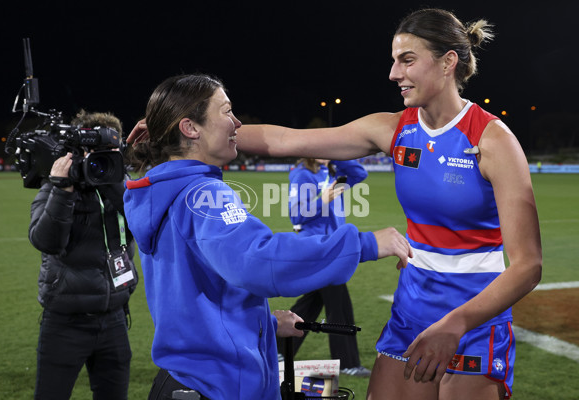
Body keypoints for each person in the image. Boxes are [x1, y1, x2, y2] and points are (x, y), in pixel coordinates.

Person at [233, 8, 542, 400]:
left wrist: (456, 325)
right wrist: (183, 130)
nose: (394, 73)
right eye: (394, 61)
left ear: (448, 62)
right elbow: (283, 141)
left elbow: (529, 265)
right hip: (411, 312)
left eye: (407, 60)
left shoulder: (492, 140)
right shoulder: (394, 128)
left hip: (473, 323)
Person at [123, 74, 412, 400]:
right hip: (216, 384)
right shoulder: (203, 193)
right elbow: (256, 260)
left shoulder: (163, 190)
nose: (236, 123)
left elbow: (199, 295)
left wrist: (265, 324)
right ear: (190, 128)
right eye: (226, 111)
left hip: (188, 378)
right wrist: (365, 244)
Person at [29, 110, 137, 400]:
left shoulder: (123, 189)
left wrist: (113, 178)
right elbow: (46, 241)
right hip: (65, 322)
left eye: (109, 150)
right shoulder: (57, 188)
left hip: (114, 317)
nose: (100, 158)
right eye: (94, 150)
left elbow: (145, 226)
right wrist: (62, 189)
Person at [276, 158, 372, 377]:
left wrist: (337, 154)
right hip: (317, 248)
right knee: (339, 303)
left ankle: (279, 347)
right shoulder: (303, 174)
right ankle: (348, 362)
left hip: (333, 244)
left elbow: (359, 174)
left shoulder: (331, 173)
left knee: (313, 301)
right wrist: (323, 200)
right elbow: (296, 214)